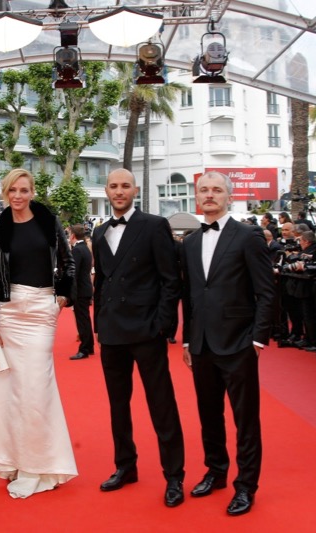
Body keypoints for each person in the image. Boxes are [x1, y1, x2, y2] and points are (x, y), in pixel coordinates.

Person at [181, 171, 275, 516]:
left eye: (216, 190)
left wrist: (258, 340)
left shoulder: (248, 236)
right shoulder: (190, 242)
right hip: (202, 344)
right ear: (197, 195)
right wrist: (189, 341)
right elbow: (191, 296)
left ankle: (246, 485)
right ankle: (216, 471)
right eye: (203, 190)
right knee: (209, 415)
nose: (209, 195)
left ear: (228, 196)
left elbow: (265, 292)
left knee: (245, 419)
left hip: (239, 343)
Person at [0, 168, 77, 499]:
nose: (18, 196)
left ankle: (39, 466)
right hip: (9, 312)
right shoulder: (0, 230)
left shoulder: (48, 222)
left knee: (36, 389)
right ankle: (14, 462)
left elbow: (69, 263)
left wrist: (61, 297)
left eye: (24, 190)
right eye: (12, 190)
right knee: (11, 390)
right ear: (6, 193)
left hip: (40, 311)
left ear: (33, 191)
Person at [92, 168, 186, 508]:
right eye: (114, 186)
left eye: (125, 186)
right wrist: (98, 325)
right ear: (106, 190)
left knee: (161, 404)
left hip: (146, 331)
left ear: (136, 190)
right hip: (112, 332)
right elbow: (101, 281)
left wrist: (163, 325)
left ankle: (174, 475)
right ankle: (125, 466)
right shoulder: (100, 231)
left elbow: (169, 280)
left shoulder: (153, 225)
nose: (119, 191)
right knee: (119, 406)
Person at [68, 224, 94, 360]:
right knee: (85, 319)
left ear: (73, 235)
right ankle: (89, 347)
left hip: (80, 290)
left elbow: (74, 273)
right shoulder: (85, 248)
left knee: (82, 320)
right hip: (85, 288)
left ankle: (84, 349)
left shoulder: (77, 250)